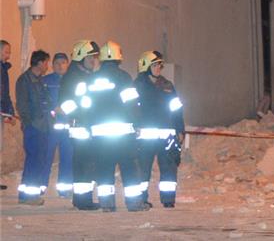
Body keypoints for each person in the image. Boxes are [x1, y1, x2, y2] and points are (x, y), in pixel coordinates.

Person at [82, 41, 148, 212]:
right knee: (129, 169)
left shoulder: (92, 79)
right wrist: (138, 124)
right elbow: (132, 103)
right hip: (123, 134)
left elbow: (87, 106)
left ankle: (107, 204)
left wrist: (89, 126)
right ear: (119, 58)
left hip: (100, 135)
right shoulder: (124, 77)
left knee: (104, 169)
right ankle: (134, 204)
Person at [134, 50, 184, 208]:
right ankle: (141, 198)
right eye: (154, 65)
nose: (158, 68)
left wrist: (180, 129)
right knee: (142, 169)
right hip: (144, 137)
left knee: (169, 168)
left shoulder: (168, 85)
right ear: (146, 66)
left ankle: (168, 199)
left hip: (167, 136)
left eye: (159, 65)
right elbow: (130, 109)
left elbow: (176, 109)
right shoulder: (138, 86)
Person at [58, 40, 101, 210]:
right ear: (80, 57)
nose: (93, 60)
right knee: (84, 164)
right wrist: (82, 108)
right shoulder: (72, 77)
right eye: (90, 57)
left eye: (95, 57)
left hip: (89, 126)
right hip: (81, 127)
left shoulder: (87, 76)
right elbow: (65, 104)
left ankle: (83, 199)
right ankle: (83, 201)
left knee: (88, 164)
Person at [15, 49, 51, 205]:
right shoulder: (25, 80)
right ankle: (29, 196)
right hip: (34, 127)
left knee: (38, 160)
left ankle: (28, 194)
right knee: (33, 160)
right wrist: (29, 122)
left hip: (43, 126)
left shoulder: (40, 80)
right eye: (46, 62)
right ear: (40, 62)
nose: (47, 66)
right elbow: (22, 105)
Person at [42, 52, 74, 197]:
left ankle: (64, 187)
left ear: (67, 64)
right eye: (57, 63)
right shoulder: (45, 81)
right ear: (52, 65)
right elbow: (41, 101)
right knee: (45, 157)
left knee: (67, 158)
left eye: (63, 62)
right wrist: (51, 110)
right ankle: (41, 185)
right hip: (50, 128)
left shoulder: (73, 81)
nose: (60, 66)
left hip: (68, 127)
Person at [1, 40, 17, 191]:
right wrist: (8, 112)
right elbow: (2, 94)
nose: (9, 55)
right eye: (6, 51)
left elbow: (5, 93)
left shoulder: (3, 69)